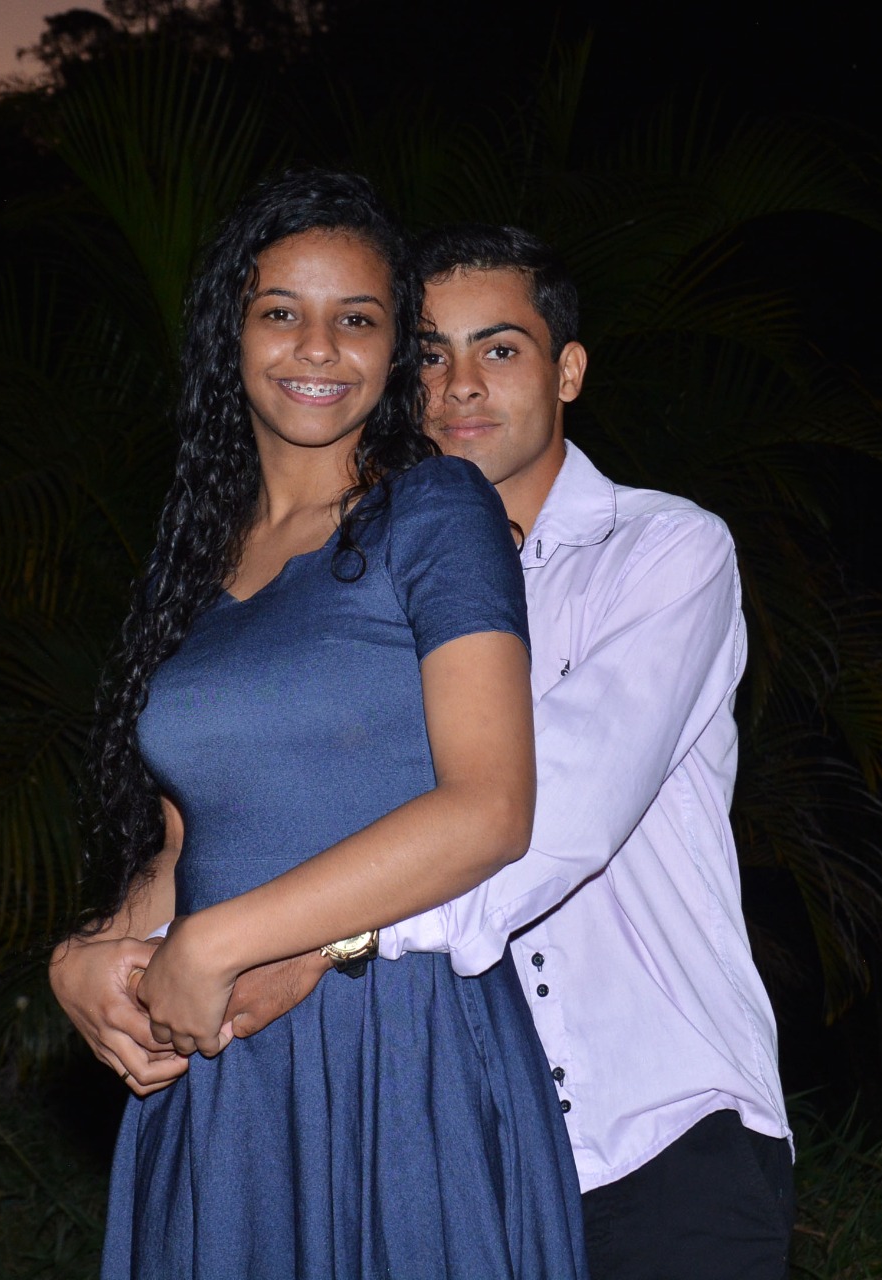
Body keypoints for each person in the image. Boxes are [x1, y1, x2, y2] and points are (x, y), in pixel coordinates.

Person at [54, 218, 795, 1277]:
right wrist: (89, 954)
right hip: (424, 1115)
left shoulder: (661, 550)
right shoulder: (346, 569)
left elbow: (547, 811)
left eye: (499, 348)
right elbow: (245, 812)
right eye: (430, 354)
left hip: (651, 1129)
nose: (457, 386)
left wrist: (311, 944)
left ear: (567, 370)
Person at [53, 175, 588, 1280]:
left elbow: (490, 809)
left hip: (393, 1045)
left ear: (393, 351)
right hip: (220, 1068)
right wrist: (87, 956)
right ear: (232, 333)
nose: (317, 347)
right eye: (280, 311)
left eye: (356, 318)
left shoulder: (436, 508)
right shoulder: (200, 554)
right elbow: (190, 838)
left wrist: (217, 943)